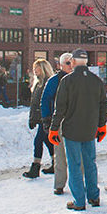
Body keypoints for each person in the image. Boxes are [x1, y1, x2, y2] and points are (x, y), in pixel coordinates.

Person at [48, 49, 107, 211]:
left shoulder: (67, 81)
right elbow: (103, 105)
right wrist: (102, 125)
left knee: (74, 165)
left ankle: (79, 201)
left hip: (71, 130)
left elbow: (59, 108)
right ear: (87, 62)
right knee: (90, 163)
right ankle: (94, 197)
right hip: (90, 129)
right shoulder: (96, 81)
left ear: (73, 62)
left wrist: (53, 129)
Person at [41, 53, 74, 193]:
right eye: (67, 63)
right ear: (60, 65)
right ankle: (59, 184)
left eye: (72, 62)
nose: (70, 65)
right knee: (59, 154)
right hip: (59, 121)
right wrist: (47, 119)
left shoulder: (77, 79)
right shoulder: (54, 80)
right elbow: (45, 99)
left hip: (74, 121)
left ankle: (79, 184)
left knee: (75, 155)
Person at [23, 58, 56, 179]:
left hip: (46, 117)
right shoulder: (38, 83)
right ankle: (55, 163)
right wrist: (32, 119)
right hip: (40, 118)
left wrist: (46, 117)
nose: (34, 71)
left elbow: (46, 102)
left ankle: (35, 166)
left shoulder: (49, 83)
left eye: (36, 68)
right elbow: (34, 103)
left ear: (42, 69)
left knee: (38, 141)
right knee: (47, 141)